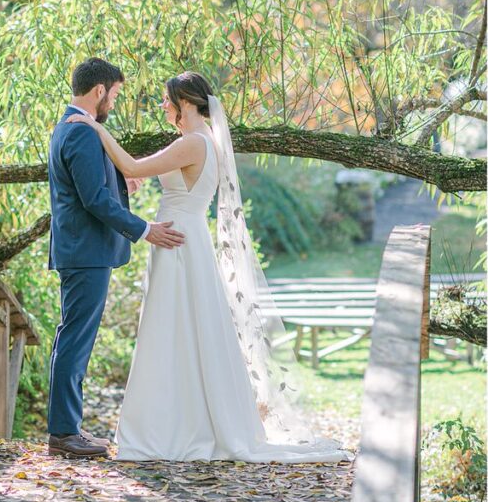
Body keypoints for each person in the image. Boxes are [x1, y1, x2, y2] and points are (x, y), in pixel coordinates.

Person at [66, 70, 350, 463]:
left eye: (166, 99)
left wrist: (94, 128)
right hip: (184, 236)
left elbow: (132, 165)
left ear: (184, 102)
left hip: (176, 240)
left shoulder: (195, 143)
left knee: (174, 328)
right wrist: (128, 180)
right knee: (179, 330)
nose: (162, 105)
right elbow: (148, 176)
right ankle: (180, 422)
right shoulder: (198, 143)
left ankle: (174, 429)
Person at [47, 57, 185, 459]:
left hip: (80, 250)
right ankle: (64, 433)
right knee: (74, 339)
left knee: (72, 337)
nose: (114, 103)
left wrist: (121, 180)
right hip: (85, 252)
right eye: (115, 95)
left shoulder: (69, 129)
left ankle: (66, 428)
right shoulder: (83, 134)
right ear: (99, 91)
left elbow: (89, 187)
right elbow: (93, 200)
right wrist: (145, 229)